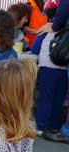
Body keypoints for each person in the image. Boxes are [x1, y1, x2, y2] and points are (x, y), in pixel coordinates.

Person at [31, 0, 69, 143]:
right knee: (59, 98)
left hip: (48, 66)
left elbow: (35, 49)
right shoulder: (66, 29)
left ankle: (41, 126)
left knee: (46, 97)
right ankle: (54, 127)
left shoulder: (47, 28)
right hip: (64, 67)